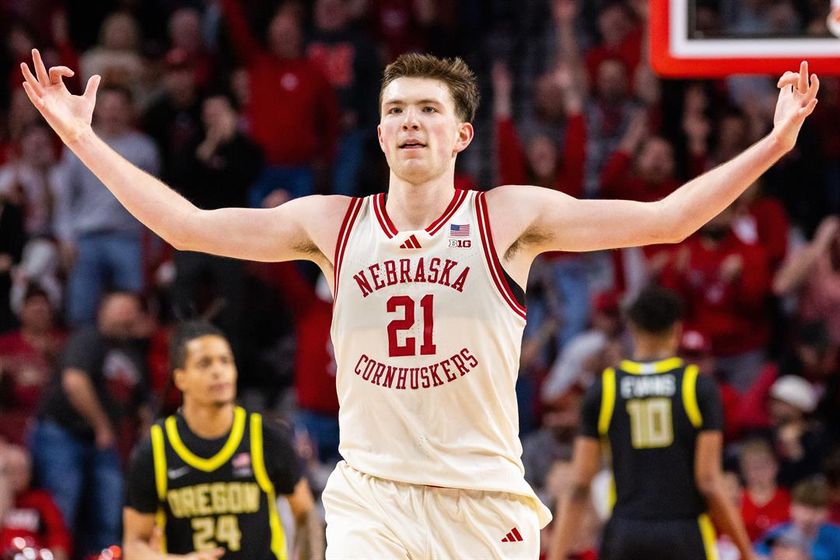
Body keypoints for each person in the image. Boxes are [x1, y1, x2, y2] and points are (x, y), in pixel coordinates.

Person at [20, 48, 818, 558]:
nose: (410, 120)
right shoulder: (330, 222)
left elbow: (668, 217)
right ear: (377, 131)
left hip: (483, 502)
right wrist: (83, 139)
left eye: (429, 109)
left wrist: (776, 142)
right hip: (374, 496)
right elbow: (184, 226)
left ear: (461, 135)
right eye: (397, 108)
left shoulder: (507, 216)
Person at [549, 285, 755, 560]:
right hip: (683, 530)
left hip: (626, 531)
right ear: (677, 329)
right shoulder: (697, 386)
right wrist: (746, 552)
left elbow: (579, 483)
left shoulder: (606, 387)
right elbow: (708, 481)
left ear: (632, 329)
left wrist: (556, 555)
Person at [122, 321, 323, 559]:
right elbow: (134, 545)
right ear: (180, 378)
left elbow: (306, 513)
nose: (218, 371)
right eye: (204, 363)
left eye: (225, 361)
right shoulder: (154, 450)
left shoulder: (265, 436)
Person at [29, 292, 150, 557]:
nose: (126, 315)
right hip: (63, 433)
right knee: (63, 510)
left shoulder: (132, 353)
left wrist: (145, 426)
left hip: (103, 442)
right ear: (103, 311)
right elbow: (75, 382)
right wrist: (102, 425)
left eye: (131, 310)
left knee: (109, 515)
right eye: (120, 308)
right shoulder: (89, 338)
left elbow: (140, 401)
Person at [754, 477, 840, 560]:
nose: (808, 516)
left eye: (816, 510)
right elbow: (755, 555)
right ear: (791, 507)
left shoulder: (836, 537)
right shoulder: (775, 534)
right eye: (803, 508)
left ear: (827, 512)